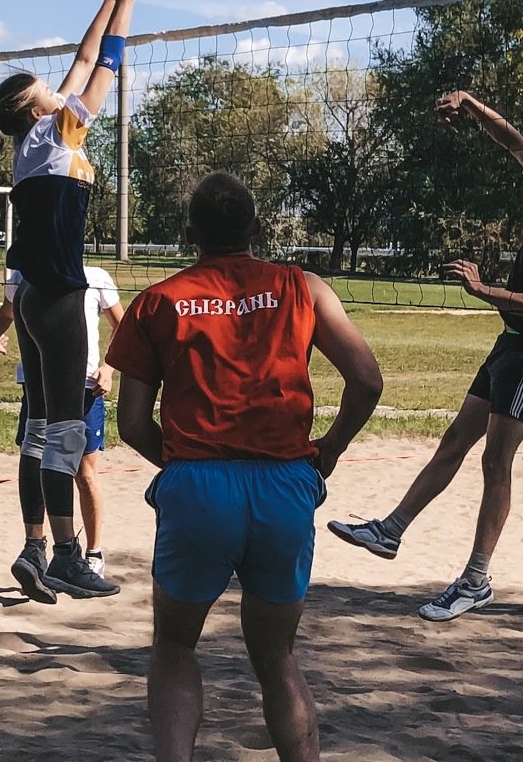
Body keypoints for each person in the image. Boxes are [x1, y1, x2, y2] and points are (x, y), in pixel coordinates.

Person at [106, 172, 384, 762]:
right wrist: (328, 451)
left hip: (198, 487)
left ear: (190, 234)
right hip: (283, 484)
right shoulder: (303, 286)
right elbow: (367, 381)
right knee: (278, 657)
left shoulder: (157, 300)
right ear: (256, 228)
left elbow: (131, 423)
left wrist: (183, 464)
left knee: (174, 647)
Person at [328, 89, 523, 622]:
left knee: (494, 462)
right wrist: (471, 102)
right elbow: (515, 142)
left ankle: (476, 579)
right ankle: (390, 530)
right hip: (511, 345)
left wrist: (485, 291)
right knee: (456, 439)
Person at [0, 0, 159, 598]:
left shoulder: (33, 139)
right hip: (57, 296)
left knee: (37, 430)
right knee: (63, 431)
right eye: (49, 91)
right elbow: (105, 62)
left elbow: (83, 58)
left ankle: (34, 547)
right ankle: (64, 554)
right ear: (39, 109)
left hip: (30, 294)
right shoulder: (60, 130)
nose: (61, 88)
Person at [0, 265, 125, 600]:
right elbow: (6, 313)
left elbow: (124, 327)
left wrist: (108, 367)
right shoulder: (25, 277)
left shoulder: (91, 278)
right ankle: (58, 554)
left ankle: (85, 553)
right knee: (53, 444)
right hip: (58, 380)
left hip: (87, 384)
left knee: (71, 463)